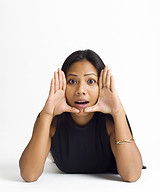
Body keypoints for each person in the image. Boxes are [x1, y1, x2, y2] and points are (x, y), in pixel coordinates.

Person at [19, 49, 145, 183]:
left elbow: (132, 175)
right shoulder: (50, 120)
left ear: (101, 85)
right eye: (72, 81)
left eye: (90, 81)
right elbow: (29, 175)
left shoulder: (111, 120)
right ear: (62, 84)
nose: (80, 90)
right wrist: (47, 114)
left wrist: (118, 112)